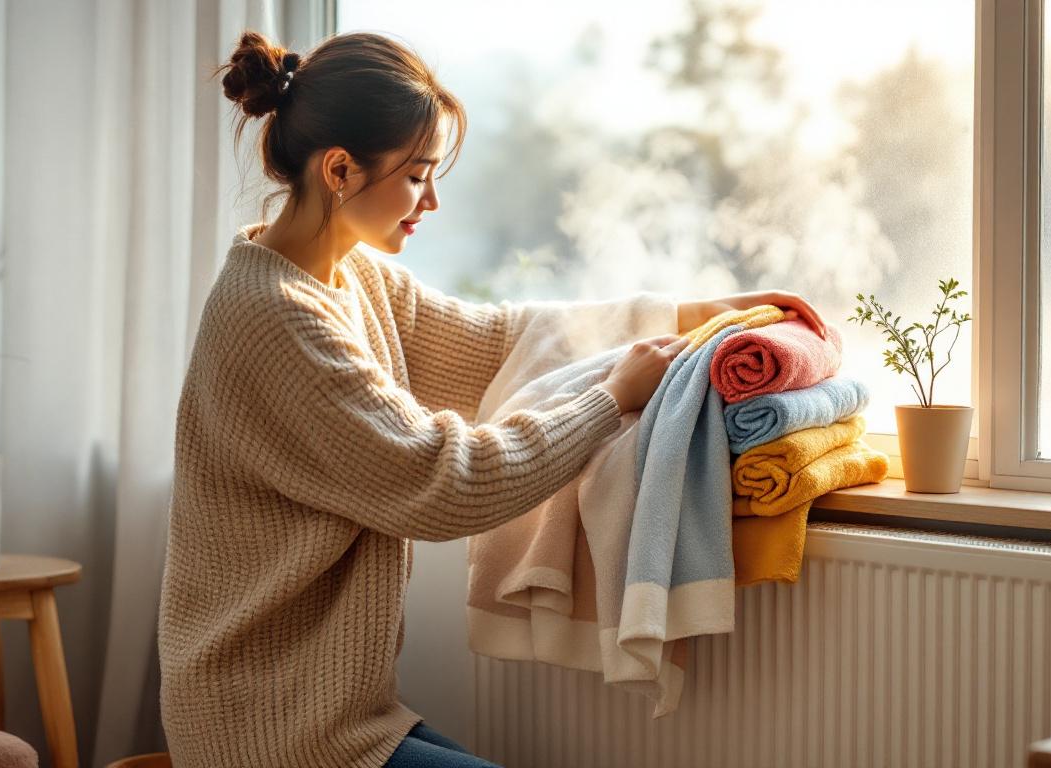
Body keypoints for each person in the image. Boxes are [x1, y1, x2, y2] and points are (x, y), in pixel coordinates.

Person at [156, 29, 827, 768]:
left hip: (337, 715)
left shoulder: (349, 278)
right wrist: (609, 400)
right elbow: (447, 481)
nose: (432, 200)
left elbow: (505, 341)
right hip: (265, 732)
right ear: (341, 169)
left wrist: (702, 314)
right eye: (417, 175)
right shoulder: (276, 318)